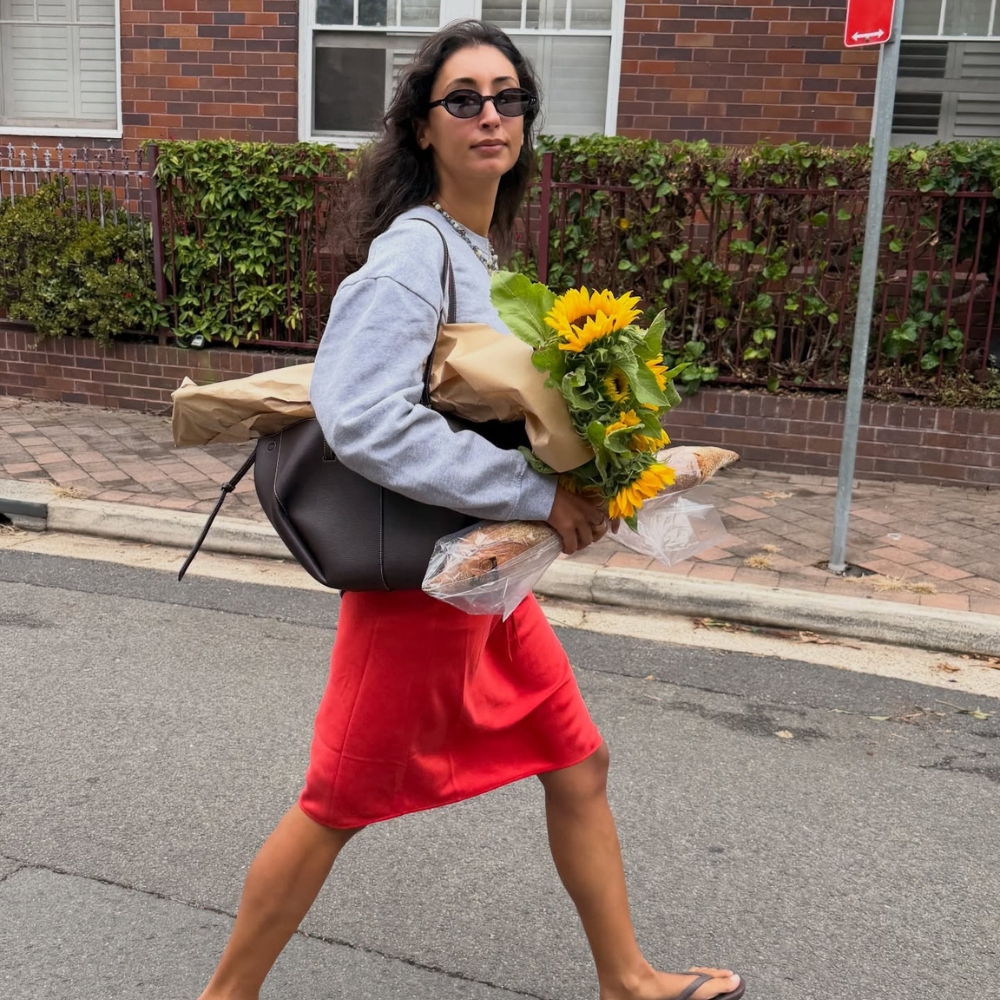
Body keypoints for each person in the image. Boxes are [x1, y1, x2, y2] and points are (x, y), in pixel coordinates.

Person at [197, 19, 744, 1000]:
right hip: (423, 589)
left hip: (486, 575)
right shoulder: (414, 252)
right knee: (334, 804)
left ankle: (627, 980)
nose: (490, 115)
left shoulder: (477, 250)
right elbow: (362, 418)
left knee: (577, 759)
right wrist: (538, 492)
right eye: (463, 100)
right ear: (423, 127)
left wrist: (596, 470)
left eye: (508, 97)